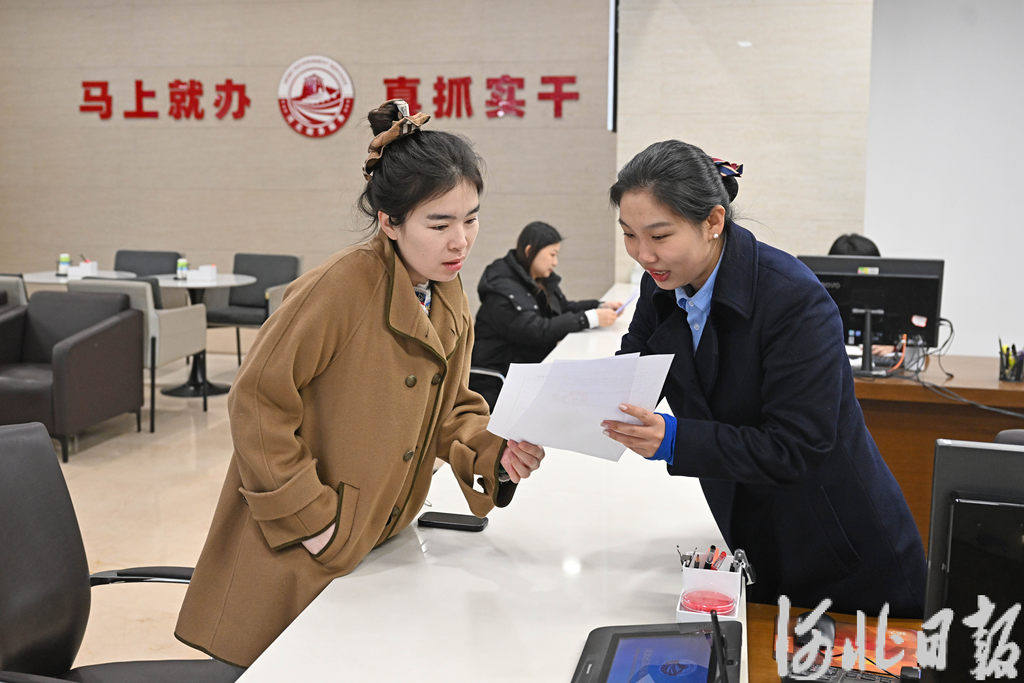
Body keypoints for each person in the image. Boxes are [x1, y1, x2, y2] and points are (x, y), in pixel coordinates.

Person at [174, 100, 546, 668]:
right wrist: (313, 521)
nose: (461, 241)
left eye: (471, 219)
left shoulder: (446, 290)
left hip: (378, 543)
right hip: (297, 553)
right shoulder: (340, 287)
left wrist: (494, 453)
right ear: (390, 222)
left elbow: (450, 408)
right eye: (439, 224)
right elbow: (256, 400)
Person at [600, 140, 926, 617]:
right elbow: (632, 373)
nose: (643, 254)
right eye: (629, 235)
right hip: (756, 539)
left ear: (713, 221)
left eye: (660, 235)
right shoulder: (663, 285)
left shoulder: (793, 300)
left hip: (843, 553)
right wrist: (548, 416)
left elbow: (797, 446)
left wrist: (674, 439)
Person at [470, 221, 623, 409]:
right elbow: (536, 330)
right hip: (499, 378)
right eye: (552, 254)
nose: (555, 262)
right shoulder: (502, 288)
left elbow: (562, 308)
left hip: (530, 367)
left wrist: (599, 306)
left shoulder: (538, 278)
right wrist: (590, 318)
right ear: (530, 250)